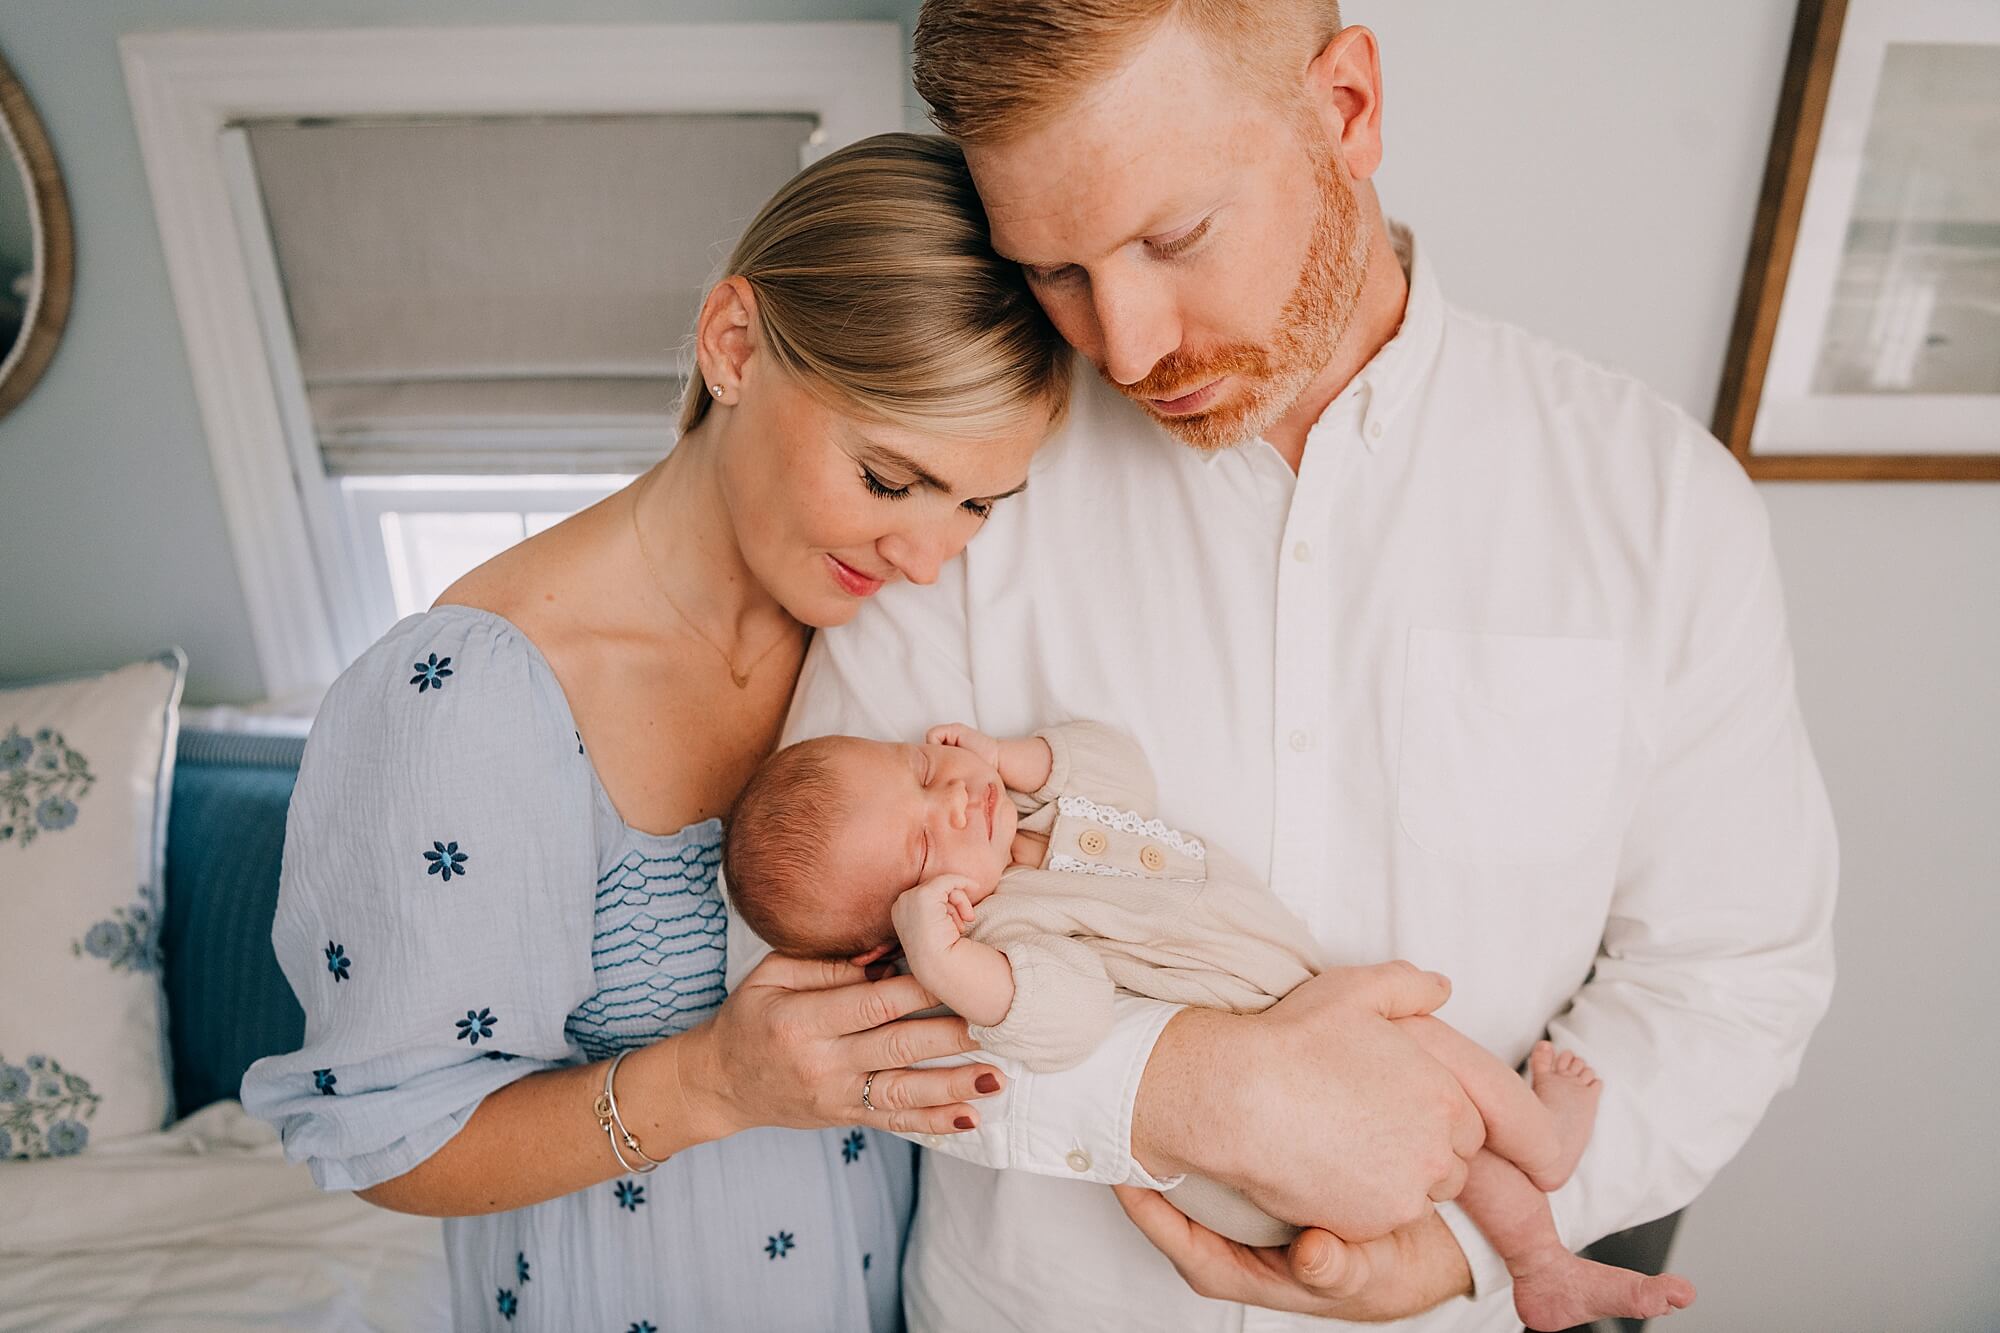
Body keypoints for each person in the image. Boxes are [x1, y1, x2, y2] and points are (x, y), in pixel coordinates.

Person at [728, 4, 1839, 1329]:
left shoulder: (1656, 506)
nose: (1127, 346)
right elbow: (815, 973)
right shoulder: (962, 485)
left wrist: (1461, 1251)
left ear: (1349, 107)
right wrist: (1194, 1088)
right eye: (1057, 273)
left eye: (1171, 237)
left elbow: (1733, 974)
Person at [240, 133, 1073, 1331]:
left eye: (978, 502)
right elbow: (392, 1143)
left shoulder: (874, 647)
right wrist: (713, 1084)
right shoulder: (459, 699)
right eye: (889, 478)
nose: (924, 556)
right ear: (732, 346)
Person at [723, 718, 1698, 1329]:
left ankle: (1538, 1263)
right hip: (1260, 1163)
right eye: (921, 834)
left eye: (915, 764)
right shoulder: (1003, 931)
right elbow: (1061, 1021)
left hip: (1312, 1017)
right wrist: (950, 963)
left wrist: (1013, 755)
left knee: (1442, 1101)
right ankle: (1546, 1150)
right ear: (893, 932)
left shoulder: (1036, 816)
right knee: (1446, 1077)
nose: (951, 792)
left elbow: (1123, 773)